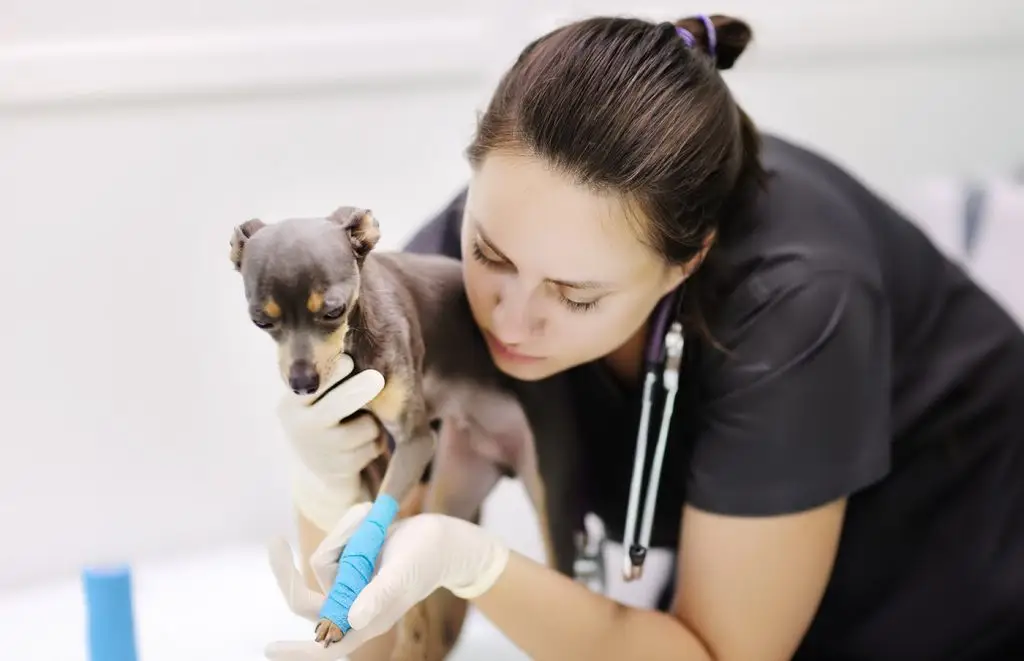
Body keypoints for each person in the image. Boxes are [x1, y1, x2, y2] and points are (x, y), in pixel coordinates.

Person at [264, 13, 1024, 661]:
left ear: (682, 266)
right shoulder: (443, 272)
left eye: (576, 295)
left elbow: (718, 653)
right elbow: (406, 642)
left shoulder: (798, 304)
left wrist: (473, 562)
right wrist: (329, 492)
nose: (509, 317)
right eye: (490, 253)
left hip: (958, 556)